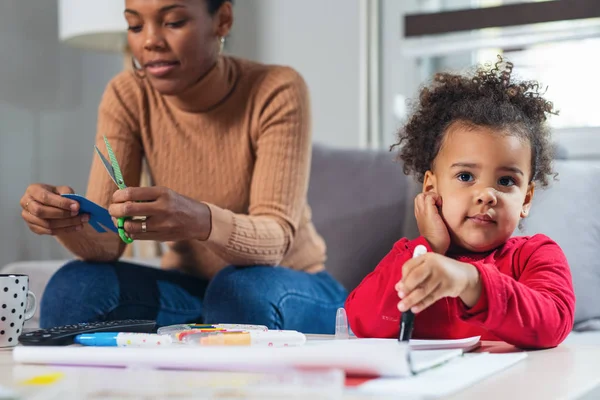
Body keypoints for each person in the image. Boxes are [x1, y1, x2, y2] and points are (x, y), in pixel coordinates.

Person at [19, 0, 347, 332]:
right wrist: (67, 221)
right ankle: (77, 386)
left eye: (173, 22)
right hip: (190, 289)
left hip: (287, 284)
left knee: (237, 292)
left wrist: (199, 219)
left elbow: (276, 239)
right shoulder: (127, 94)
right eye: (135, 26)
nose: (150, 41)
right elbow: (109, 243)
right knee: (74, 287)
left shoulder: (276, 89)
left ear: (222, 19)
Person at [345, 56, 575, 349]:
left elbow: (553, 322)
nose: (486, 194)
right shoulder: (413, 257)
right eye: (466, 176)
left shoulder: (535, 256)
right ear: (431, 187)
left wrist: (471, 282)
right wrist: (431, 244)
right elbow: (363, 323)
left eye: (506, 181)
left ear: (526, 199)